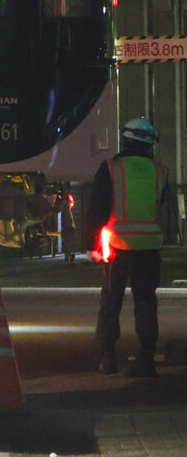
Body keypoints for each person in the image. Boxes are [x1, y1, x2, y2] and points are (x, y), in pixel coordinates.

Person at [85, 117, 175, 377]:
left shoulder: (111, 168)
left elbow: (97, 209)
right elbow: (160, 209)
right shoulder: (160, 171)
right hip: (149, 248)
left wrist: (93, 244)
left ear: (125, 139)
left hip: (117, 248)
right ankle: (146, 358)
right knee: (146, 303)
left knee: (110, 303)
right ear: (150, 144)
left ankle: (107, 357)